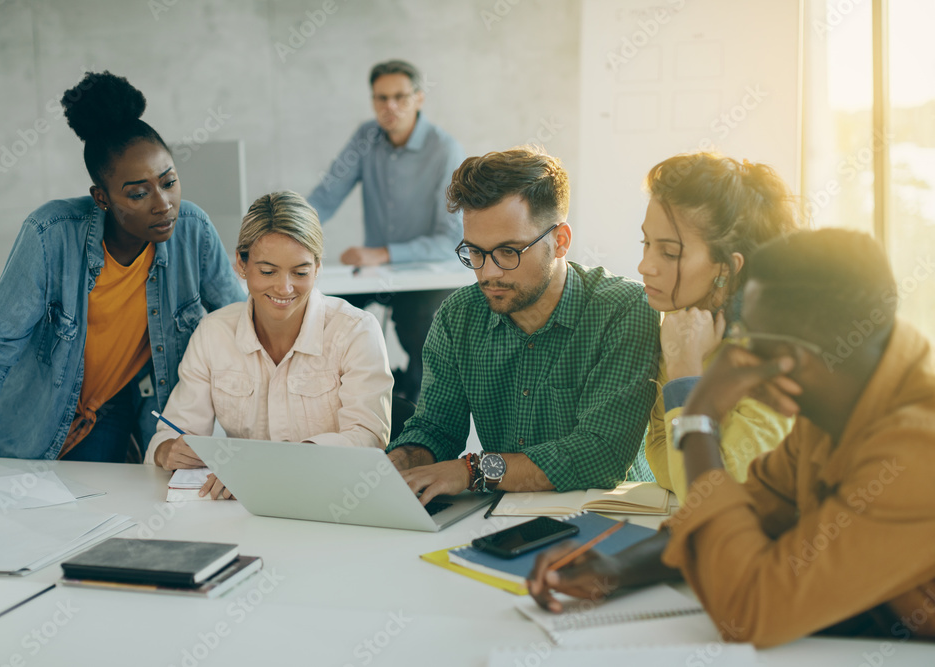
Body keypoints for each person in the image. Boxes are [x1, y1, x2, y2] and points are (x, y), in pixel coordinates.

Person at [528, 229, 935, 647]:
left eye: (748, 339)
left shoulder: (916, 451)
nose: (737, 352)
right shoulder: (841, 399)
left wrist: (699, 416)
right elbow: (749, 510)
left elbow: (751, 612)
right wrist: (618, 568)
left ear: (787, 362)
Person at [0, 71, 244, 479]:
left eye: (169, 182)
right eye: (138, 193)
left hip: (109, 412)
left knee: (101, 522)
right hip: (33, 416)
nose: (163, 203)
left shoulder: (193, 230)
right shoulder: (50, 235)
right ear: (102, 197)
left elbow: (244, 327)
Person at [387, 147, 659, 504]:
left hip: (609, 516)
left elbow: (599, 455)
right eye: (475, 252)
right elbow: (436, 428)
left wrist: (473, 470)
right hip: (503, 518)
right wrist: (400, 463)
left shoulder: (625, 310)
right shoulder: (458, 316)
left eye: (508, 252)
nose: (489, 272)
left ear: (559, 241)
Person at [147, 191, 394, 500]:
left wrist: (267, 467)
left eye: (301, 272)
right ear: (240, 263)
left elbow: (368, 438)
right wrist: (168, 450)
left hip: (332, 500)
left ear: (318, 268)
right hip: (245, 512)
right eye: (267, 271)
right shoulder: (213, 333)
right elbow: (172, 433)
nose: (284, 287)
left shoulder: (356, 331)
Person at [638, 153, 799, 498]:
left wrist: (684, 374)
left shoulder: (775, 354)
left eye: (668, 253)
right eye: (646, 243)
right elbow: (664, 462)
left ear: (725, 268)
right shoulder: (682, 325)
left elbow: (706, 494)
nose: (644, 266)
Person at [307, 59, 465, 403]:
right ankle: (340, 399)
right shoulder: (367, 137)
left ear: (419, 98)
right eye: (380, 98)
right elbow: (326, 196)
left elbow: (451, 239)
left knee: (416, 322)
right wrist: (281, 234)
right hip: (374, 274)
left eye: (399, 97)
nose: (389, 106)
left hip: (426, 274)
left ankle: (419, 405)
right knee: (326, 312)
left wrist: (383, 252)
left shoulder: (445, 150)